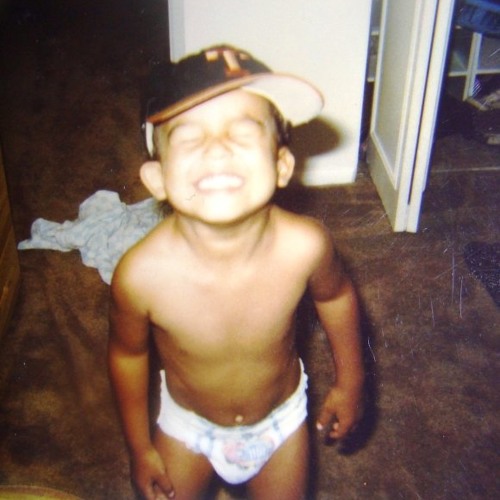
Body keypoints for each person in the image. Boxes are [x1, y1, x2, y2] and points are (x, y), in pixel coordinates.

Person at [108, 45, 365, 500]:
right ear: (157, 179)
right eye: (189, 138)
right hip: (187, 428)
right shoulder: (140, 275)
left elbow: (337, 297)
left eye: (243, 132)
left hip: (279, 426)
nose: (217, 147)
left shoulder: (306, 245)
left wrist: (352, 380)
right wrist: (139, 447)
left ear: (282, 166)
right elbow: (128, 356)